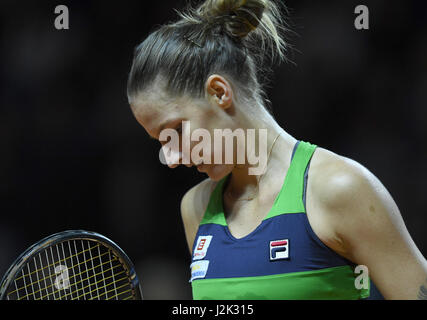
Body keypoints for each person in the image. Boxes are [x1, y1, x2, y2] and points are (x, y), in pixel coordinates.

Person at [126, 0, 427, 299]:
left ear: (219, 92)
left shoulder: (338, 189)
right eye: (161, 142)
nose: (172, 158)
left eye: (176, 130)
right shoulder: (196, 208)